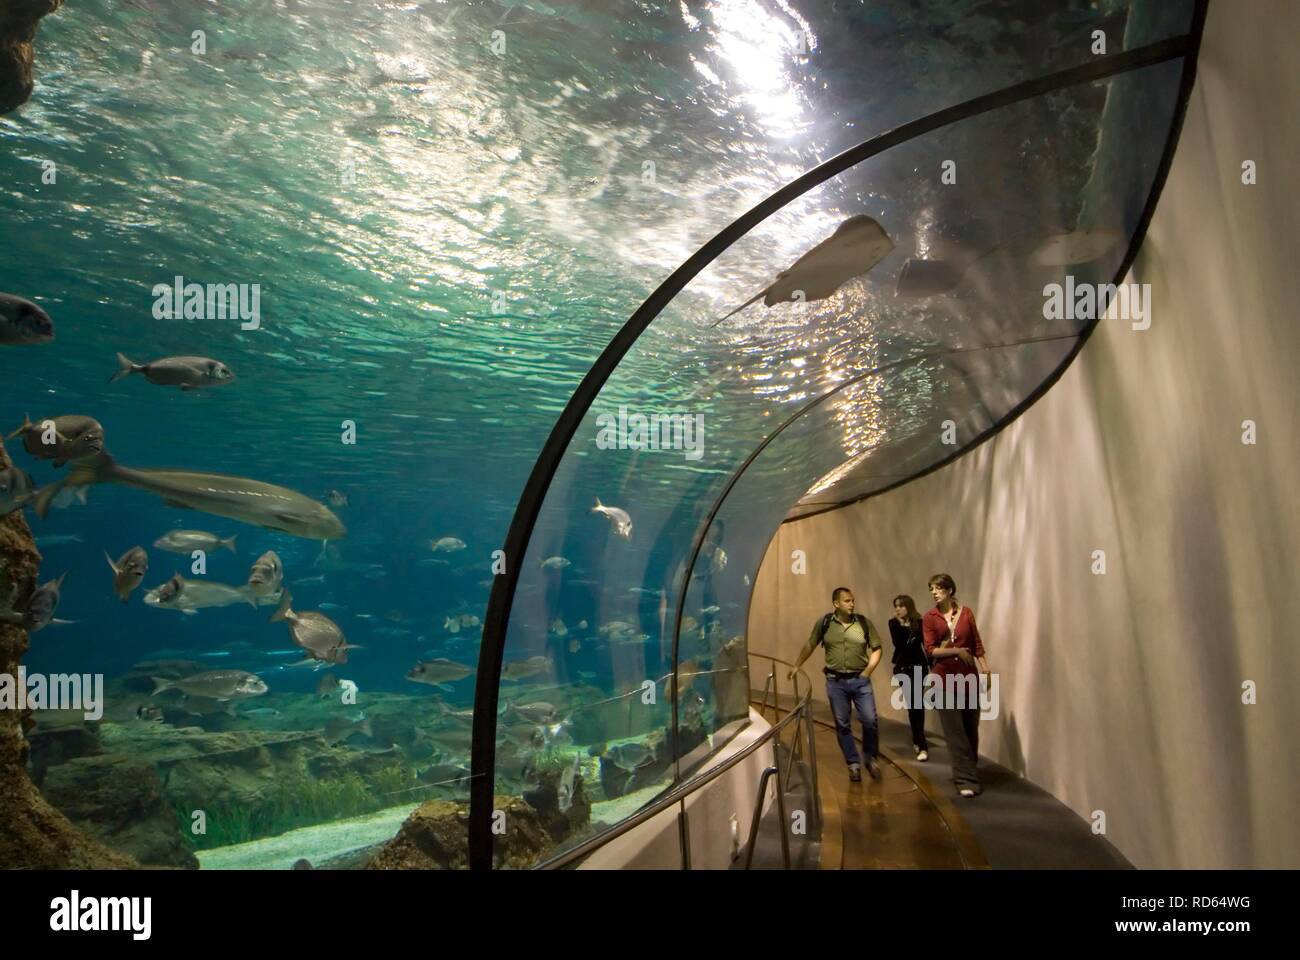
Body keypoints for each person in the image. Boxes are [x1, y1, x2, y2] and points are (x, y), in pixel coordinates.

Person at [789, 587, 885, 782]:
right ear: (836, 604)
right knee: (842, 724)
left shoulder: (863, 623)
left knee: (870, 720)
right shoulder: (824, 623)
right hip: (836, 682)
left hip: (860, 681)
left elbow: (877, 648)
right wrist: (797, 665)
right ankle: (853, 763)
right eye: (847, 601)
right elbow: (811, 644)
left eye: (853, 600)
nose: (852, 604)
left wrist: (867, 672)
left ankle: (870, 757)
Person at [921, 574, 990, 798]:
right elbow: (931, 650)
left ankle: (970, 769)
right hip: (943, 679)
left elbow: (976, 643)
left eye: (939, 588)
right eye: (932, 588)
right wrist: (956, 651)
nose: (934, 592)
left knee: (971, 728)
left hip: (968, 678)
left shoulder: (966, 612)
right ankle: (965, 779)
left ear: (950, 590)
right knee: (955, 732)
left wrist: (986, 669)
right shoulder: (930, 618)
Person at [888, 594, 929, 760]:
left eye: (901, 606)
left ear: (909, 607)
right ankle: (922, 745)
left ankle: (918, 740)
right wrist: (900, 624)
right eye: (896, 606)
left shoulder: (919, 622)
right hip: (903, 668)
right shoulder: (893, 623)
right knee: (913, 703)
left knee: (918, 704)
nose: (898, 609)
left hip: (919, 666)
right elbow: (898, 643)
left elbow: (924, 644)